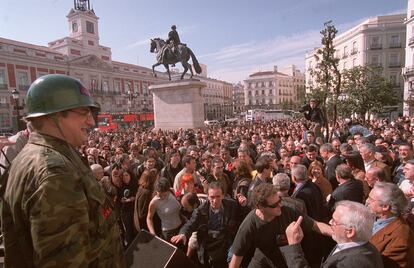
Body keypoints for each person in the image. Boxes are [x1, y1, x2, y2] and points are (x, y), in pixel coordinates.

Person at [1, 74, 124, 267]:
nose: (91, 122)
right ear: (55, 115)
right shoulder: (54, 172)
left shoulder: (34, 155)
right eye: (84, 112)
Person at [229, 183, 332, 268]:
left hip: (286, 259)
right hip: (262, 261)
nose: (280, 205)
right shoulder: (249, 224)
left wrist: (337, 233)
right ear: (260, 207)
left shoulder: (288, 211)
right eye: (274, 205)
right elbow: (237, 257)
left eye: (280, 201)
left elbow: (316, 225)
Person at [281, 200, 383, 268]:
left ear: (350, 232)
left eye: (334, 221)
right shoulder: (364, 246)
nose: (330, 222)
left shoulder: (350, 264)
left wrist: (294, 247)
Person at [171, 182, 240, 268]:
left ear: (223, 195)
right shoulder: (200, 211)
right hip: (208, 244)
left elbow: (242, 218)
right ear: (208, 196)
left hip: (225, 242)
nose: (215, 201)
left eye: (218, 196)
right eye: (212, 197)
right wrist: (183, 233)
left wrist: (244, 205)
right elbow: (191, 224)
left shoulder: (232, 205)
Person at [366, 182, 414, 268]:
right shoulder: (375, 218)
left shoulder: (401, 237)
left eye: (370, 199)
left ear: (385, 206)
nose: (367, 201)